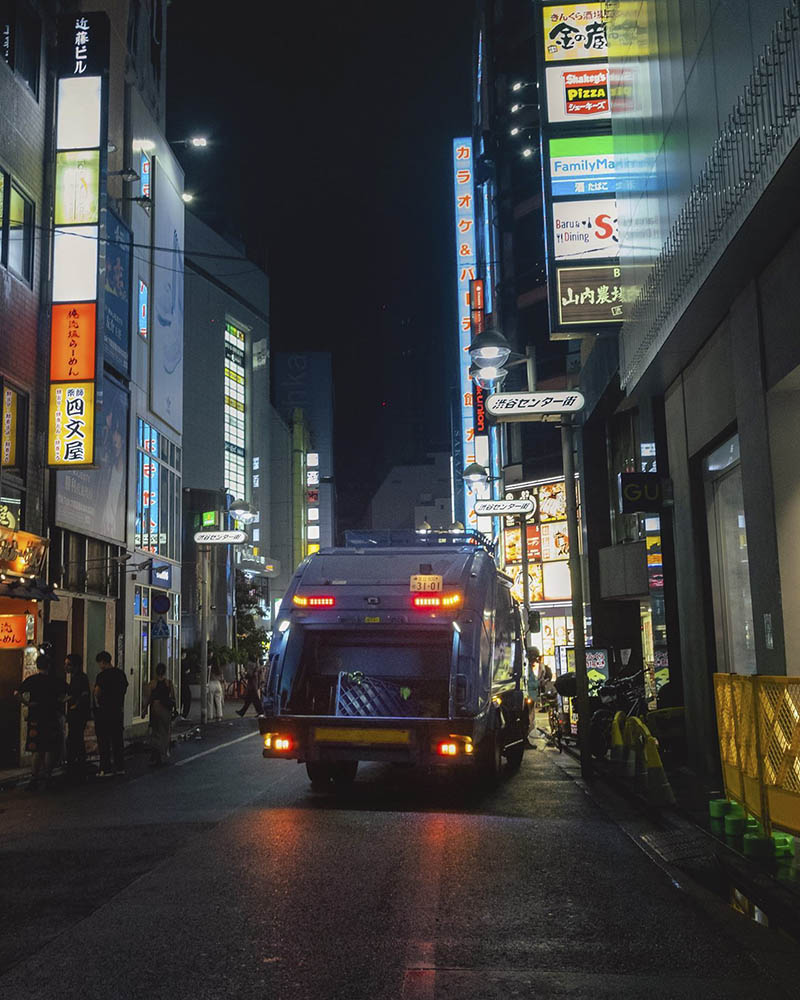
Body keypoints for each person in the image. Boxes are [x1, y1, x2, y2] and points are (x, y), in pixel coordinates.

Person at [17, 654, 63, 790]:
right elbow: (69, 693)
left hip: (35, 717)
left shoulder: (31, 680)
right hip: (51, 716)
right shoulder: (55, 680)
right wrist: (59, 702)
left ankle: (34, 777)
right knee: (50, 748)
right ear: (49, 665)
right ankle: (48, 776)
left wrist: (28, 704)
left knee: (37, 749)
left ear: (37, 666)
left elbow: (17, 693)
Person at [93, 650, 128, 776]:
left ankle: (105, 768)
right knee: (117, 740)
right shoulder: (120, 674)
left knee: (104, 741)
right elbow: (124, 690)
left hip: (104, 711)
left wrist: (97, 702)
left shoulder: (102, 676)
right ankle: (120, 767)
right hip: (117, 710)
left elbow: (97, 692)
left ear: (102, 662)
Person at [144, 663, 176, 765]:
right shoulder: (168, 683)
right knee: (165, 732)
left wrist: (144, 710)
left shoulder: (152, 684)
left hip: (155, 708)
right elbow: (173, 697)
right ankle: (164, 753)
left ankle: (156, 753)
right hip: (166, 709)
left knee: (155, 731)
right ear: (165, 671)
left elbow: (148, 698)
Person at [65, 653, 91, 777]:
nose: (66, 667)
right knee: (75, 736)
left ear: (75, 666)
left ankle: (77, 762)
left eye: (68, 664)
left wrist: (76, 704)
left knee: (76, 736)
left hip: (79, 713)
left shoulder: (81, 677)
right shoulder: (74, 677)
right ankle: (77, 762)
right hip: (74, 712)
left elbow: (84, 693)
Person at [180, 654, 193, 719]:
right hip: (184, 684)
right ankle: (184, 714)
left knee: (181, 699)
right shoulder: (184, 663)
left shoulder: (177, 662)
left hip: (181, 684)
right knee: (187, 699)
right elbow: (187, 671)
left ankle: (180, 712)